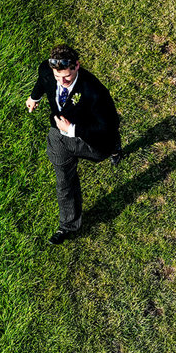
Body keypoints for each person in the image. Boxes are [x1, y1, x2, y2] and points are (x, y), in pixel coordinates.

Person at [26, 45, 122, 244]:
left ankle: (115, 148)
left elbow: (108, 125)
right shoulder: (46, 70)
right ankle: (67, 225)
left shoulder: (94, 91)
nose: (62, 82)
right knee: (64, 182)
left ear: (77, 66)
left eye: (67, 78)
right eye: (57, 77)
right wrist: (35, 97)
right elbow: (43, 81)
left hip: (90, 139)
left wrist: (73, 130)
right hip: (59, 138)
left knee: (108, 143)